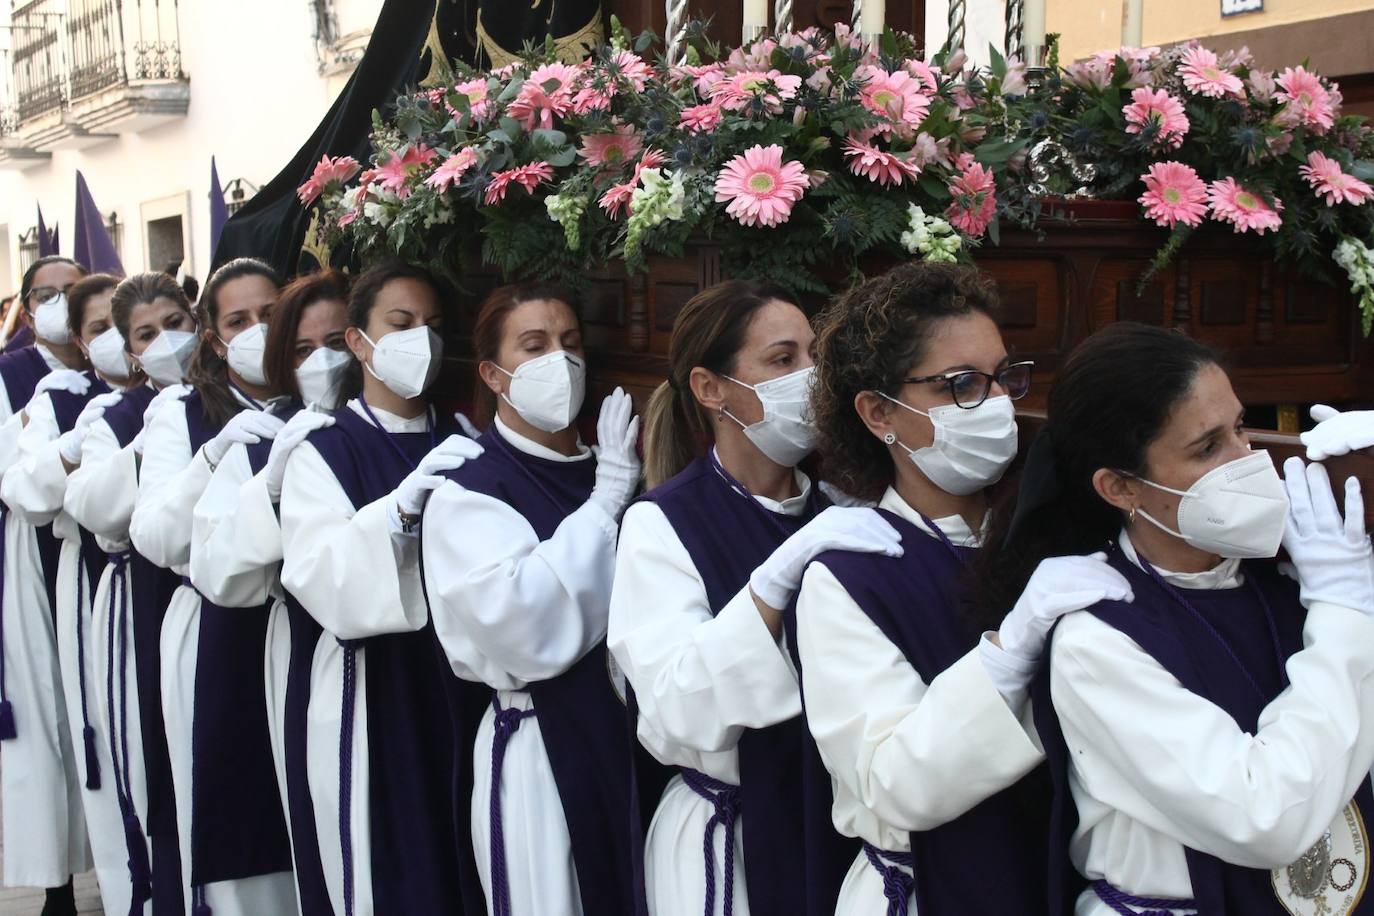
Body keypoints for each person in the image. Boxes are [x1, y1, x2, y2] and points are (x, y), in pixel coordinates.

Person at [979, 321, 1374, 915]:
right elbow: (1264, 818)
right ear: (1119, 487)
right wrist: (1344, 610)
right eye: (1207, 447)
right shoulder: (1096, 637)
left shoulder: (1294, 569)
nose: (1246, 462)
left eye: (1241, 428)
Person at [794, 261, 1134, 915]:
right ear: (877, 412)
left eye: (1005, 377)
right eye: (961, 386)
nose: (999, 402)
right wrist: (1009, 651)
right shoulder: (846, 576)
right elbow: (894, 783)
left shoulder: (1046, 525)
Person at [608, 279, 902, 916]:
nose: (809, 376)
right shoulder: (662, 523)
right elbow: (677, 704)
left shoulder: (836, 511)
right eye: (781, 359)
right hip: (728, 840)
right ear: (712, 389)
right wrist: (772, 583)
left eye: (813, 357)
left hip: (824, 828)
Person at [422, 283, 644, 916]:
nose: (561, 361)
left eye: (571, 344)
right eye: (535, 346)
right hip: (542, 748)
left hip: (627, 742)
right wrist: (604, 503)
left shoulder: (614, 461)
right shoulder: (470, 488)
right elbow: (521, 623)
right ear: (493, 374)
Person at [278, 260, 482, 916]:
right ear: (359, 342)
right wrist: (395, 515)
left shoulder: (463, 440)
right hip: (372, 693)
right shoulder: (325, 451)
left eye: (433, 326)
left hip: (456, 686)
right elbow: (317, 574)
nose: (420, 340)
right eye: (401, 324)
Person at [128, 258, 296, 915]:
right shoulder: (181, 410)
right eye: (238, 320)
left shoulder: (318, 396)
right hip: (214, 629)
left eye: (269, 315)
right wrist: (214, 455)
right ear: (212, 336)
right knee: (237, 802)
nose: (257, 330)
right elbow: (156, 534)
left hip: (296, 629)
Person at [189, 268, 350, 916]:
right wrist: (273, 483)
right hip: (307, 661)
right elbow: (217, 566)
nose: (323, 362)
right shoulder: (261, 440)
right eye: (304, 350)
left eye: (337, 341)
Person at [0, 273, 144, 914]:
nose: (113, 341)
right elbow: (25, 487)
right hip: (78, 574)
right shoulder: (48, 394)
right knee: (79, 724)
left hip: (156, 584)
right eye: (97, 329)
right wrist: (64, 445)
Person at [65, 271, 200, 914]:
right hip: (143, 597)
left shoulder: (227, 399)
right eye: (147, 334)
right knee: (156, 755)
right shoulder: (115, 417)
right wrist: (147, 448)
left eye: (176, 323)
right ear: (129, 349)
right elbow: (93, 504)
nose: (168, 341)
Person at [0, 254, 89, 914]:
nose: (61, 302)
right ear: (28, 309)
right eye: (47, 294)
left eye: (73, 291)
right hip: (35, 558)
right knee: (49, 716)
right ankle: (56, 877)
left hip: (101, 558)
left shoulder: (112, 366)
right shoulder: (12, 375)